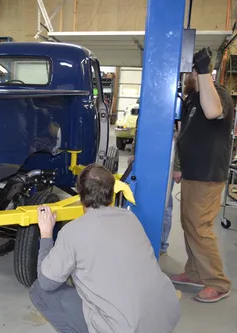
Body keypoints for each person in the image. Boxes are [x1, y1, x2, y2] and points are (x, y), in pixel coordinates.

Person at [30, 164, 180, 333]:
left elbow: (46, 282)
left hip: (125, 328)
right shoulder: (130, 218)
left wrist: (46, 233)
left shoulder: (73, 232)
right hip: (164, 317)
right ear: (111, 192)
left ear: (80, 193)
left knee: (39, 290)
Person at [170, 47, 234, 303]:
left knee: (200, 227)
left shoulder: (217, 94)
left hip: (208, 173)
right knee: (189, 224)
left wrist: (205, 72)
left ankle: (218, 283)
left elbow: (213, 112)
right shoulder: (193, 99)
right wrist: (179, 165)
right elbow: (185, 135)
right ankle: (196, 272)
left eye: (191, 71)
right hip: (193, 172)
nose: (188, 75)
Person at [129, 127, 176, 257]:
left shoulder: (176, 111)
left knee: (164, 205)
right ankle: (143, 241)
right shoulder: (145, 108)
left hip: (165, 162)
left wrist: (176, 166)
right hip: (144, 161)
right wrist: (134, 152)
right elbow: (139, 131)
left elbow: (178, 139)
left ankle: (161, 245)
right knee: (141, 200)